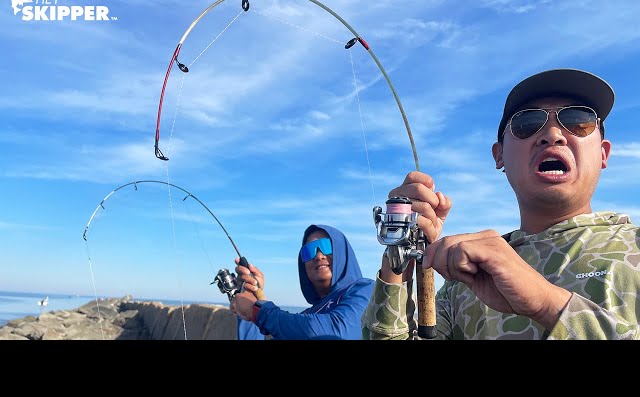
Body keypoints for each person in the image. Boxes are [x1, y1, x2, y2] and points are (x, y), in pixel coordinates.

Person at [362, 68, 640, 340]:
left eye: (579, 121)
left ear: (603, 153)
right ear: (499, 156)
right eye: (527, 123)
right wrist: (400, 256)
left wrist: (547, 304)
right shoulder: (467, 281)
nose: (553, 134)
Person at [231, 223, 374, 340]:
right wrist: (252, 299)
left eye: (326, 246)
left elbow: (340, 332)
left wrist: (258, 312)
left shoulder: (365, 289)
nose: (319, 256)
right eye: (309, 251)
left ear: (342, 251)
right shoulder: (305, 316)